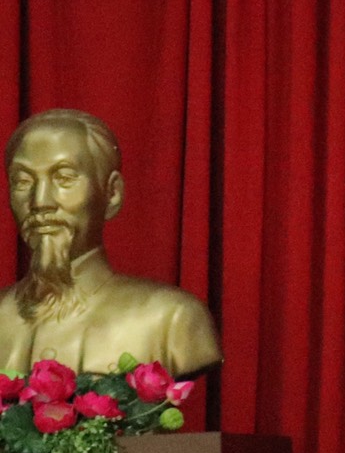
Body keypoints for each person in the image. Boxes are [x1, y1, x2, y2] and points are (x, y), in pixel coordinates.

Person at [3, 108, 220, 376]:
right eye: (22, 181)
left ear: (112, 193)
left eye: (64, 178)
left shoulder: (171, 319)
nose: (40, 201)